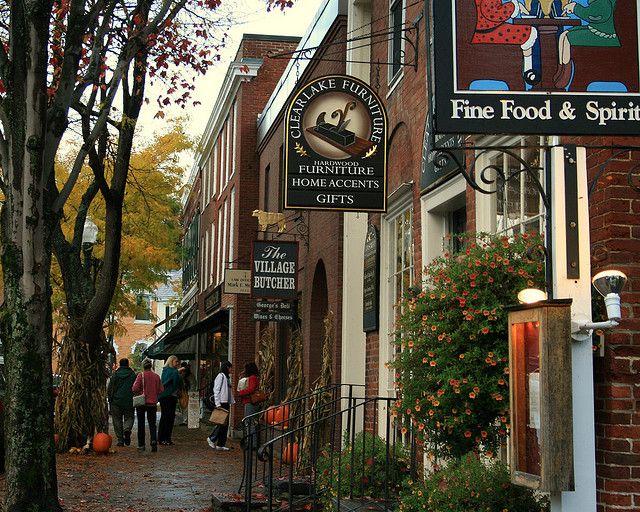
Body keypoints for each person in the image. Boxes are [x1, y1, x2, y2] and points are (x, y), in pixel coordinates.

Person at [472, 0, 540, 86]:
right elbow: (494, 13)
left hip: (488, 30)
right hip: (488, 33)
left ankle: (528, 68)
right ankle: (528, 69)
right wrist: (513, 5)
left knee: (528, 32)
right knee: (528, 32)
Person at [554, 1, 620, 88]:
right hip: (593, 29)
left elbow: (595, 16)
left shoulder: (604, 2)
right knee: (563, 35)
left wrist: (575, 8)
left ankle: (566, 73)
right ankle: (560, 68)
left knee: (568, 38)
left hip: (604, 35)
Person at [132, 358, 163, 452]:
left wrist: (141, 391)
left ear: (143, 366)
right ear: (151, 366)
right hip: (152, 403)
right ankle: (153, 440)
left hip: (142, 403)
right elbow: (161, 390)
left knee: (141, 424)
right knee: (152, 424)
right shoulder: (156, 376)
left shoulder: (141, 376)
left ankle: (141, 444)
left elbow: (134, 388)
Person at [107, 358, 137, 447]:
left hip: (116, 401)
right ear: (128, 364)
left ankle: (120, 440)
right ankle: (127, 429)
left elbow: (110, 388)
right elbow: (136, 388)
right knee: (130, 417)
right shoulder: (133, 375)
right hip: (129, 400)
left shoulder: (115, 375)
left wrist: (110, 399)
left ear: (120, 364)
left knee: (117, 420)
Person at [207, 361, 235, 451]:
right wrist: (218, 403)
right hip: (222, 402)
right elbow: (217, 390)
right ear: (227, 367)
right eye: (230, 367)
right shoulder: (221, 376)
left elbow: (228, 391)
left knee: (225, 424)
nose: (232, 369)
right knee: (221, 422)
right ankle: (212, 438)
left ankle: (221, 444)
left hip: (226, 401)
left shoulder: (227, 377)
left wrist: (231, 401)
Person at [157, 355, 181, 446]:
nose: (177, 363)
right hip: (168, 396)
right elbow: (175, 383)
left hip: (168, 397)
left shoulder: (167, 371)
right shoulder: (170, 371)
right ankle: (164, 438)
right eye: (176, 361)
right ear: (171, 362)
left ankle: (165, 438)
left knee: (167, 418)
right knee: (167, 418)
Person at [237, 362, 261, 450]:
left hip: (250, 402)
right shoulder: (251, 377)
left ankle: (252, 443)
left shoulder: (252, 378)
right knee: (249, 423)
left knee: (249, 423)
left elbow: (251, 389)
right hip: (249, 402)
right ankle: (250, 442)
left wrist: (241, 393)